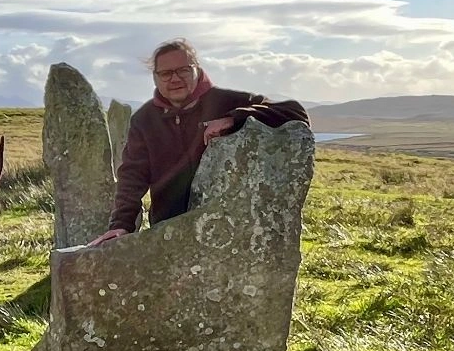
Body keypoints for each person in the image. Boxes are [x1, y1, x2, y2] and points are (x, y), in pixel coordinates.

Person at [88, 39, 309, 247]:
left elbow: (294, 111)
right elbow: (132, 176)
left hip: (229, 228)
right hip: (169, 230)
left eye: (183, 70)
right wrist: (121, 225)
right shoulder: (144, 120)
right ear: (155, 77)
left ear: (197, 68)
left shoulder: (230, 102)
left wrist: (234, 118)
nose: (175, 79)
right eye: (165, 73)